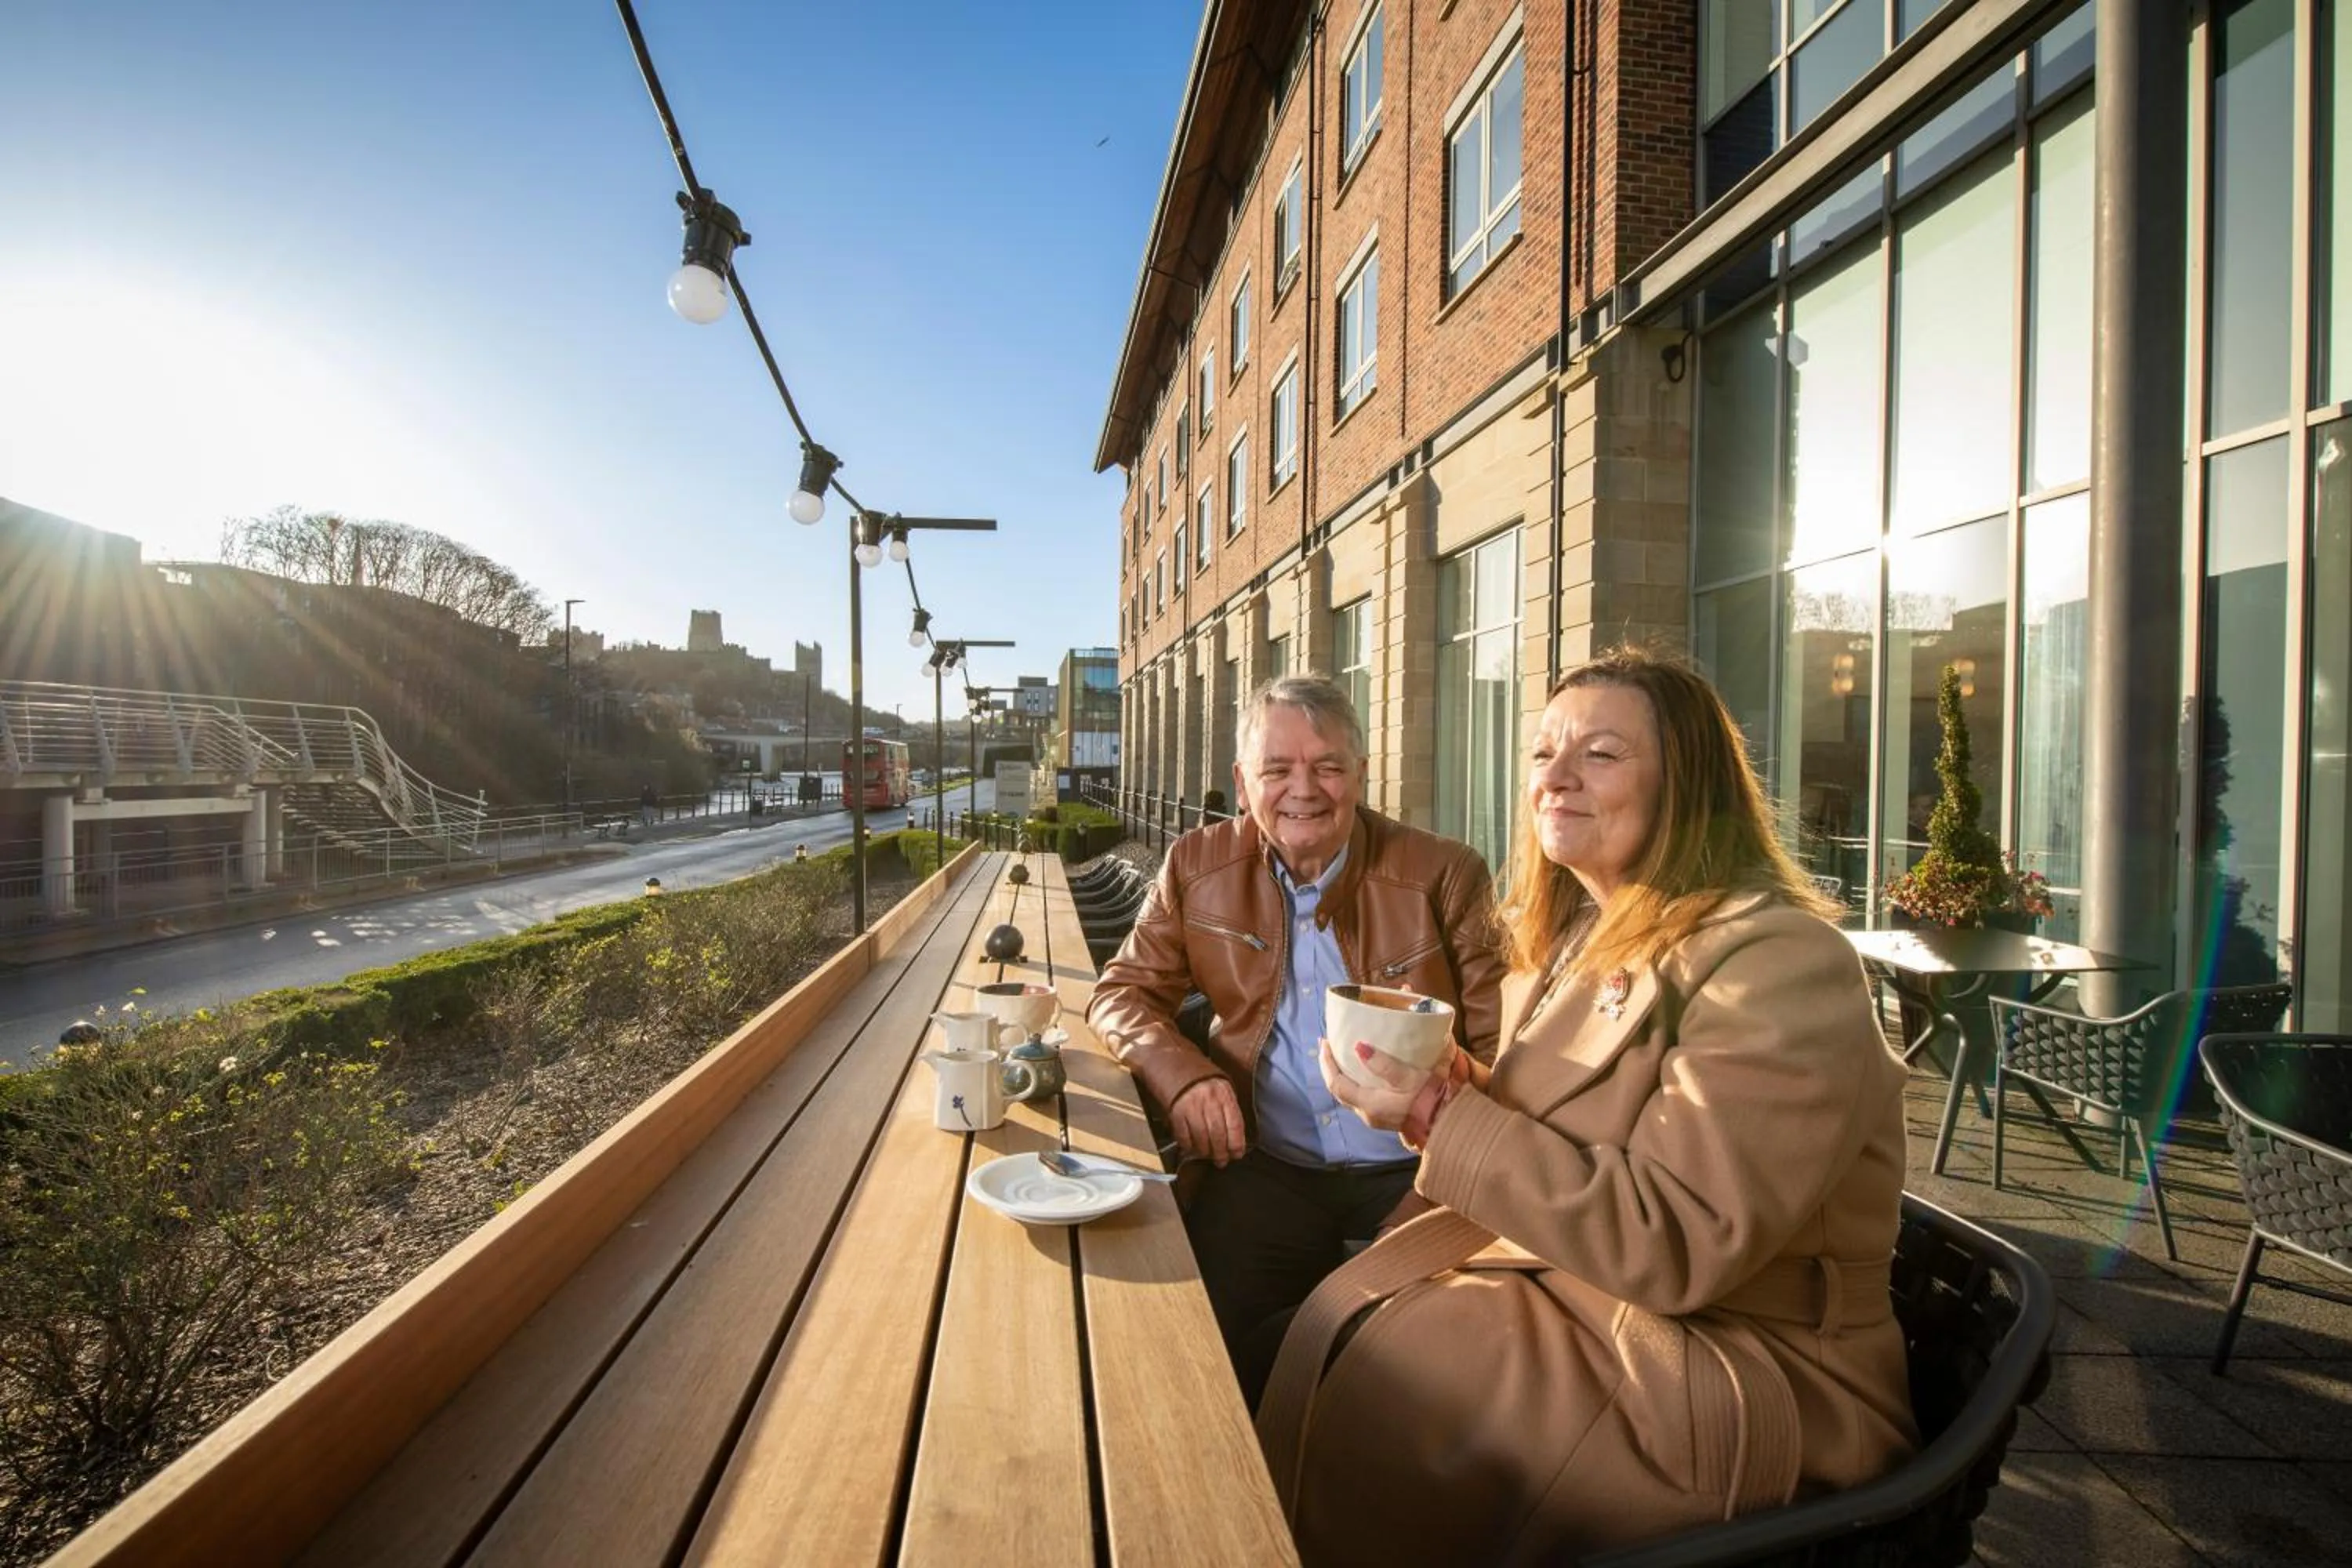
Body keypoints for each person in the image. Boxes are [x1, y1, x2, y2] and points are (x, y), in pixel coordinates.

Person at [1255, 647, 1916, 1564]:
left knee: (1358, 1377)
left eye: (1600, 754)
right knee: (1303, 1341)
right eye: (1542, 754)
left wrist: (1438, 1118)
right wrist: (1450, 1088)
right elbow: (1572, 1132)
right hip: (1586, 1300)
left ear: (1684, 783)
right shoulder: (1572, 940)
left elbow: (1677, 1237)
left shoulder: (1780, 961)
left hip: (1732, 1369)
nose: (1555, 779)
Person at [1089, 674, 1505, 1404]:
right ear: (1242, 782)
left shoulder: (1444, 874)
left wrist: (1453, 1168)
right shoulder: (1196, 865)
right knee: (1192, 1340)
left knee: (1403, 1368)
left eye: (1328, 767)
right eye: (1277, 769)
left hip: (1421, 1173)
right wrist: (1182, 1076)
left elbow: (1509, 1048)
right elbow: (1121, 994)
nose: (1303, 790)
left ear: (1362, 775)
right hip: (1267, 1163)